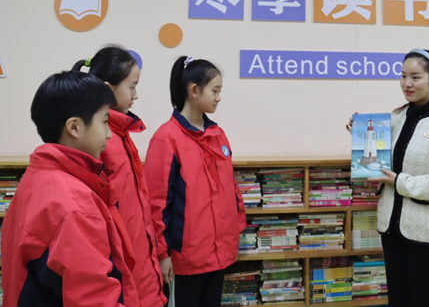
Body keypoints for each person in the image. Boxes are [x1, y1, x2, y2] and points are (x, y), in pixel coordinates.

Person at [1, 71, 140, 306]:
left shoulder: (38, 176)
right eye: (104, 122)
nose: (109, 134)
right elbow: (94, 299)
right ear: (74, 127)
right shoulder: (73, 203)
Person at [347, 49, 429, 307]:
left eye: (415, 77)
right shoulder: (395, 118)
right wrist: (361, 135)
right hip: (392, 230)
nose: (407, 84)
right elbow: (381, 161)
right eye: (403, 76)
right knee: (398, 301)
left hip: (428, 234)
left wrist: (399, 182)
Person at [145, 56, 246, 307]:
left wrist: (235, 227)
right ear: (194, 90)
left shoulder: (217, 134)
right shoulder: (166, 138)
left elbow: (230, 188)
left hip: (219, 252)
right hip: (186, 258)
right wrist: (162, 254)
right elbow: (157, 203)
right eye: (215, 91)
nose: (219, 98)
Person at [72, 46, 165, 307]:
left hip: (142, 260)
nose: (136, 95)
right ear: (107, 89)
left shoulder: (122, 134)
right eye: (132, 87)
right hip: (122, 267)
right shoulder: (99, 141)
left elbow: (140, 205)